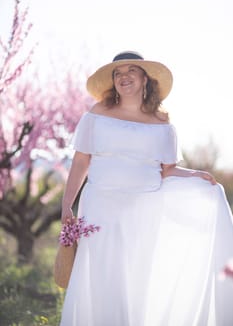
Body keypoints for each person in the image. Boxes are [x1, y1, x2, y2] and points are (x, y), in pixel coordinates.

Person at [60, 51, 233, 326]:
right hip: (100, 205)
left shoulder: (162, 122)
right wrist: (67, 203)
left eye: (131, 71)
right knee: (103, 275)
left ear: (145, 79)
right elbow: (82, 160)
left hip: (144, 208)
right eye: (118, 73)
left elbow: (166, 170)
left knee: (135, 277)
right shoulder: (97, 114)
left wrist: (195, 174)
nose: (123, 77)